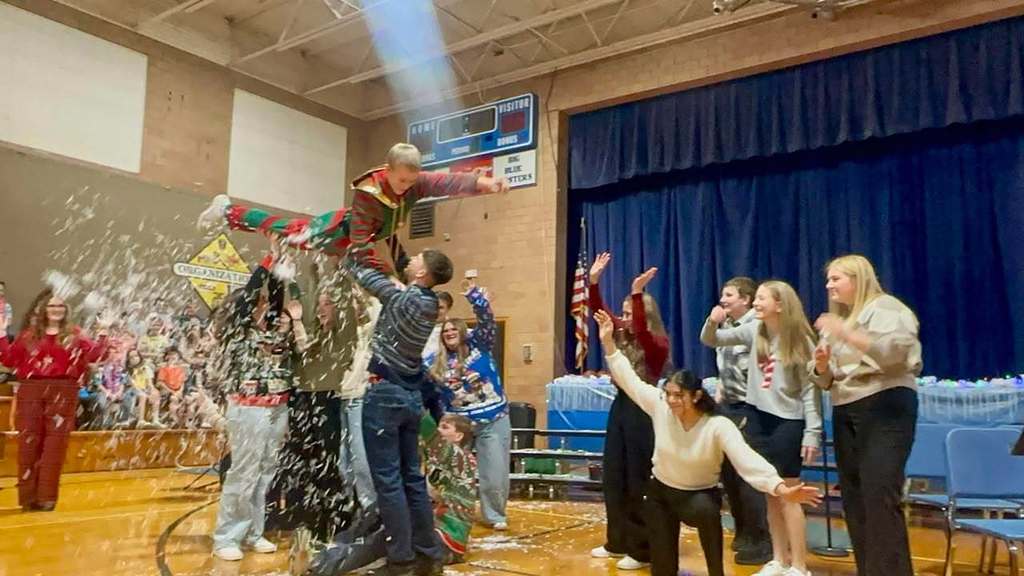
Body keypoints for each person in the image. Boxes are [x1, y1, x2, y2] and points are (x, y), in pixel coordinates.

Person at [596, 309, 821, 576]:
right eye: (668, 394)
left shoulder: (717, 425)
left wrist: (780, 488)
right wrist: (608, 342)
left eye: (678, 395)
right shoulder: (659, 406)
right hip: (661, 494)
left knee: (705, 516)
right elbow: (628, 378)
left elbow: (747, 461)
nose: (671, 401)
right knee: (663, 566)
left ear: (696, 396)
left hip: (699, 496)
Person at [199, 143, 509, 274]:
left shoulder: (416, 182)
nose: (405, 187)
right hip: (337, 230)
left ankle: (230, 213)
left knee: (284, 233)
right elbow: (360, 235)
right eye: (400, 180)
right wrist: (365, 265)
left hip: (358, 241)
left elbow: (446, 183)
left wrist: (483, 184)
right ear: (387, 170)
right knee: (285, 229)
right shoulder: (368, 191)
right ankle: (227, 210)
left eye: (411, 181)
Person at [809, 255, 921, 576]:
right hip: (846, 406)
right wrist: (821, 366)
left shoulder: (887, 308)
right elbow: (824, 378)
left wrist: (845, 333)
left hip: (885, 405)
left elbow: (896, 353)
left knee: (879, 496)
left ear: (858, 279)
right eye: (828, 279)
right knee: (855, 500)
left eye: (836, 279)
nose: (829, 285)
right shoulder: (840, 318)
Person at [701, 281, 821, 576]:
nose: (756, 302)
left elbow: (810, 392)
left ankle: (799, 566)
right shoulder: (755, 331)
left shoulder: (801, 340)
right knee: (770, 491)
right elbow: (712, 340)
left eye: (762, 298)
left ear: (780, 304)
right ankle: (779, 559)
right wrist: (711, 321)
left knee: (790, 494)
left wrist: (812, 431)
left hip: (788, 423)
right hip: (758, 418)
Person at [349, 247, 454, 576]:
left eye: (417, 259)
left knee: (389, 483)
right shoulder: (427, 304)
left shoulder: (404, 298)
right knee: (412, 480)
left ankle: (401, 560)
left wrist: (352, 248)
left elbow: (365, 277)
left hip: (384, 396)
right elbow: (395, 268)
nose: (411, 261)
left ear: (423, 274)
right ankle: (428, 553)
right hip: (409, 399)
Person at [212, 252, 298, 561]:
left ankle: (253, 532)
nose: (264, 305)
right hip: (248, 407)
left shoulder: (273, 328)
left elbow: (276, 295)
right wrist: (268, 258)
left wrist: (282, 262)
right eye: (257, 302)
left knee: (265, 472)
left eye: (265, 302)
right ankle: (226, 536)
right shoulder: (239, 330)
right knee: (244, 472)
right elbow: (251, 292)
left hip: (277, 407)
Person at [587, 253, 670, 571]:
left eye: (630, 312)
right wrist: (593, 282)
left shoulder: (656, 343)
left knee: (638, 480)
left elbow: (644, 334)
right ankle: (617, 541)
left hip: (644, 411)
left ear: (645, 315)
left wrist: (637, 292)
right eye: (623, 312)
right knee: (614, 476)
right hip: (621, 406)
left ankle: (642, 548)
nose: (623, 319)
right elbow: (600, 314)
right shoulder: (622, 334)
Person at [0, 288, 110, 511]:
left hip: (64, 392)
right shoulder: (29, 335)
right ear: (44, 310)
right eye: (52, 306)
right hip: (31, 390)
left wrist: (103, 334)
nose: (56, 310)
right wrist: (2, 333)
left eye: (60, 306)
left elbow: (98, 356)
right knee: (29, 443)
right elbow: (9, 360)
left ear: (65, 310)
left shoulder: (75, 335)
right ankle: (29, 497)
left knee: (54, 446)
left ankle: (46, 497)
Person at [426, 281, 510, 531]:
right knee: (448, 469)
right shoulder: (435, 361)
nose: (449, 332)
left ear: (462, 330)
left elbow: (486, 321)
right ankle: (450, 509)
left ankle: (494, 515)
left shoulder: (479, 344)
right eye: (445, 331)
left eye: (453, 328)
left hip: (493, 417)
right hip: (457, 421)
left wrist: (476, 297)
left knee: (493, 473)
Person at [711, 276, 772, 564]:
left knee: (749, 476)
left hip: (750, 408)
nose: (723, 299)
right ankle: (743, 531)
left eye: (729, 295)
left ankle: (761, 539)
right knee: (730, 476)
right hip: (728, 406)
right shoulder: (725, 326)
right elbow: (725, 365)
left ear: (745, 300)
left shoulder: (756, 326)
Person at [420, 412, 477, 563]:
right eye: (439, 426)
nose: (439, 430)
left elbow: (431, 435)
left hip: (448, 538)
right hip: (436, 530)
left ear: (458, 436)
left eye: (445, 427)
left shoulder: (460, 457)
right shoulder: (438, 457)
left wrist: (416, 407)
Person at [421, 291, 453, 362]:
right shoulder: (419, 329)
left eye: (440, 308)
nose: (436, 311)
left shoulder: (456, 330)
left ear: (449, 308)